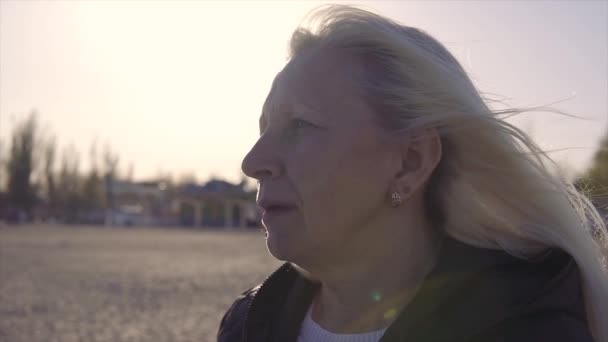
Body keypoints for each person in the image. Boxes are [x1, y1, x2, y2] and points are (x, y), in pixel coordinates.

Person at [218, 5, 608, 342]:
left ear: (411, 162)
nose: (253, 162)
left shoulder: (532, 332)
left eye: (299, 125)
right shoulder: (247, 323)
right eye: (263, 129)